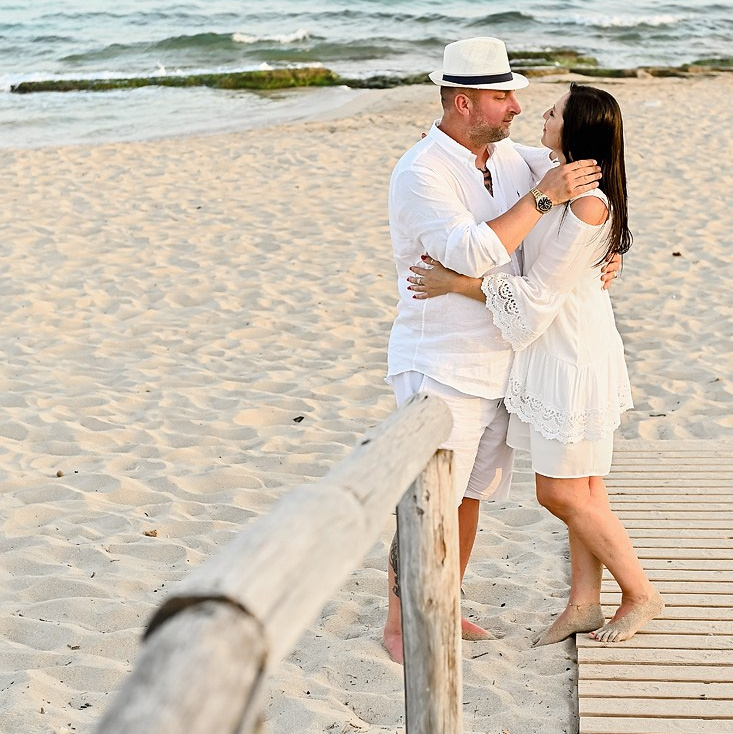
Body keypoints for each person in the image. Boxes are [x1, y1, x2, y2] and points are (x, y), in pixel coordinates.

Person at [383, 36, 620, 664]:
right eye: (500, 96)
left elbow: (579, 216)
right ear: (463, 103)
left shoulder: (511, 159)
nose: (516, 105)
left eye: (514, 94)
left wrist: (607, 254)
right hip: (441, 359)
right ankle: (402, 624)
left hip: (505, 361)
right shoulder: (421, 172)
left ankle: (446, 605)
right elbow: (471, 252)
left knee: (467, 497)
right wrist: (543, 198)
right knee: (426, 495)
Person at [407, 82, 664, 645]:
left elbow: (538, 300)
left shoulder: (586, 200)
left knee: (561, 494)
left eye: (552, 112)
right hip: (564, 347)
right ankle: (583, 603)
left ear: (573, 132)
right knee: (585, 488)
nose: (535, 115)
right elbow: (487, 156)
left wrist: (459, 283)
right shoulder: (549, 169)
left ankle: (641, 592)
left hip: (568, 353)